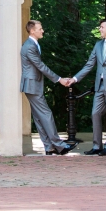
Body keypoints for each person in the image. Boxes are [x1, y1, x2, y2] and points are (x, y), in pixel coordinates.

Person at [69, 18, 106, 156]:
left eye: (102, 27)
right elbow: (89, 64)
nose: (100, 29)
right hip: (99, 86)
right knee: (95, 113)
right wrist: (75, 78)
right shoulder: (98, 45)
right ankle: (97, 146)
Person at [20, 20, 79, 155]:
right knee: (46, 114)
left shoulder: (33, 44)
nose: (42, 31)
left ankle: (49, 147)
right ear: (32, 31)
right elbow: (40, 66)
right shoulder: (29, 46)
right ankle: (60, 145)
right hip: (32, 84)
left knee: (39, 117)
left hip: (32, 84)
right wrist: (59, 79)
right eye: (40, 29)